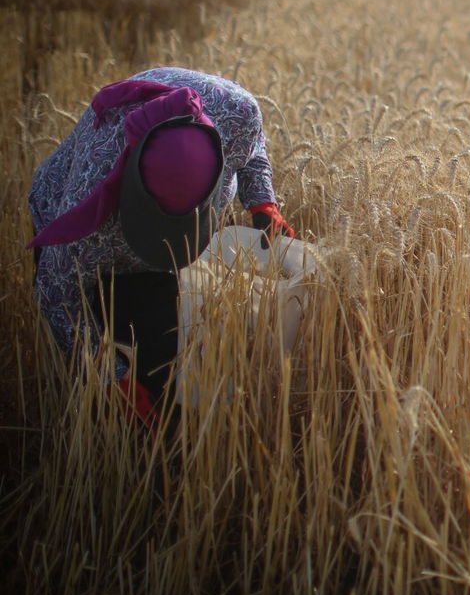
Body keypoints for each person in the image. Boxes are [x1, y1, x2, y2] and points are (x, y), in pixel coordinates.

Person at [28, 66, 295, 425]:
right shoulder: (86, 211)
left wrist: (261, 200)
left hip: (145, 235)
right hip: (75, 213)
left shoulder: (237, 115)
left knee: (160, 356)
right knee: (93, 384)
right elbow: (55, 294)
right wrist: (109, 378)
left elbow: (254, 147)